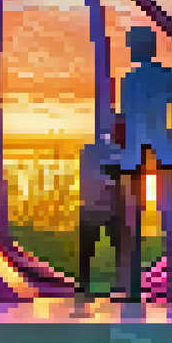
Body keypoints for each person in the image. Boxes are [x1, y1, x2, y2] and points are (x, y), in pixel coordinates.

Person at [117, 25, 172, 303]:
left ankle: (143, 289)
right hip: (153, 150)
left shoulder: (134, 79)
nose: (131, 50)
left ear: (141, 47)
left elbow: (127, 118)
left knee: (142, 218)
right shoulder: (156, 77)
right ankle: (171, 287)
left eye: (132, 45)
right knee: (160, 216)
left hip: (142, 151)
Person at [76, 116, 127, 299]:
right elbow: (90, 176)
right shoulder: (94, 151)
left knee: (120, 250)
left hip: (112, 209)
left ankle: (120, 288)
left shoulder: (121, 152)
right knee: (88, 251)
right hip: (94, 208)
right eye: (120, 130)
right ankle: (84, 288)